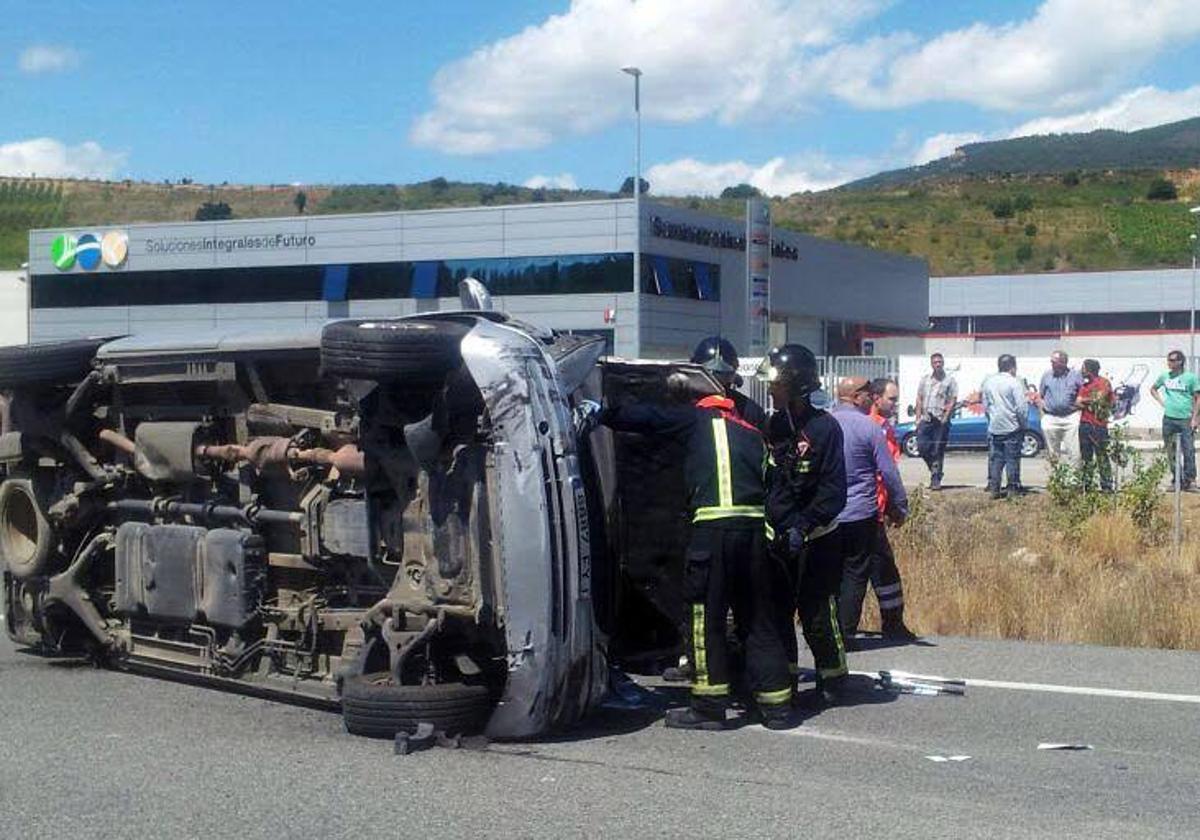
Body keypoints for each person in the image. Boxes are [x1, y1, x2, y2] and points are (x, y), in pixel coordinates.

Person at [584, 374, 796, 730]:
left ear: (698, 402)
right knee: (758, 620)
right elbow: (778, 491)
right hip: (754, 536)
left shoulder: (694, 419)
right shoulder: (753, 434)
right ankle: (777, 707)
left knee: (705, 620)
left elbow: (648, 419)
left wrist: (603, 413)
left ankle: (708, 708)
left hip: (713, 534)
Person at [756, 345, 849, 707]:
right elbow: (774, 484)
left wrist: (804, 526)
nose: (770, 391)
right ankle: (787, 679)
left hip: (819, 539)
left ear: (795, 385)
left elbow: (833, 492)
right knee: (779, 613)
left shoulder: (826, 428)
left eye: (776, 385)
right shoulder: (774, 426)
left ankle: (834, 679)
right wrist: (779, 526)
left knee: (817, 614)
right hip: (781, 538)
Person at [831, 378, 910, 646]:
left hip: (829, 514)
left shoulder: (823, 424)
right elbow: (889, 473)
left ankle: (831, 632)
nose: (872, 398)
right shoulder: (870, 427)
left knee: (836, 573)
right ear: (856, 397)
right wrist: (899, 508)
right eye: (867, 394)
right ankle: (851, 632)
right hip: (864, 512)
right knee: (860, 573)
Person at [690, 336, 767, 430]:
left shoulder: (749, 410)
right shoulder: (680, 406)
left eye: (721, 375)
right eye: (709, 375)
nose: (713, 384)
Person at [1150, 350, 1200, 490]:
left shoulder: (1191, 378)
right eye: (1168, 360)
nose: (1169, 363)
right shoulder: (1165, 376)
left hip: (1185, 418)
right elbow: (1153, 389)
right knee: (1171, 451)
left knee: (1188, 449)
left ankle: (1190, 480)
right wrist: (1162, 402)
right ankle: (1177, 479)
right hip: (1169, 418)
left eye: (1172, 360)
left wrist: (1196, 418)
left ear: (1180, 362)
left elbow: (1198, 398)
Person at [981, 354, 1028, 499]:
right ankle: (1012, 490)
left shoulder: (989, 382)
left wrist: (992, 419)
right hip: (1012, 425)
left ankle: (995, 489)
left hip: (995, 426)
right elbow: (1021, 407)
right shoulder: (1014, 383)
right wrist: (1023, 424)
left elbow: (986, 405)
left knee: (997, 459)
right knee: (1012, 459)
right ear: (1013, 367)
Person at [913, 353, 957, 490]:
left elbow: (952, 400)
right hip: (926, 419)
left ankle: (935, 479)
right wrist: (917, 418)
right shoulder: (925, 380)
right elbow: (919, 398)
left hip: (940, 420)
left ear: (943, 363)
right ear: (931, 364)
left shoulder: (949, 381)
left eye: (940, 362)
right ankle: (934, 468)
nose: (938, 364)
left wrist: (946, 417)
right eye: (935, 362)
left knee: (938, 450)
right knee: (922, 447)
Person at [1035, 351, 1084, 468]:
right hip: (1051, 417)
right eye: (1051, 361)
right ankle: (1056, 478)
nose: (1051, 364)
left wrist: (1079, 405)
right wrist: (1042, 414)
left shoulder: (1075, 375)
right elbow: (1040, 395)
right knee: (1053, 452)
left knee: (1074, 452)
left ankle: (1074, 480)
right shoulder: (1046, 375)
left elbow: (1082, 392)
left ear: (1063, 362)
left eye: (1054, 362)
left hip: (1070, 417)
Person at [1076, 359, 1115, 492]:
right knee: (1086, 456)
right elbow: (1077, 403)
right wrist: (1089, 402)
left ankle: (1106, 486)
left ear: (1089, 369)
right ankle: (1087, 484)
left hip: (1099, 425)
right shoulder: (1084, 385)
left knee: (1102, 456)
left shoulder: (1103, 382)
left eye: (1083, 368)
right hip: (1084, 424)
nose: (1081, 371)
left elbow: (1100, 398)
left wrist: (1086, 401)